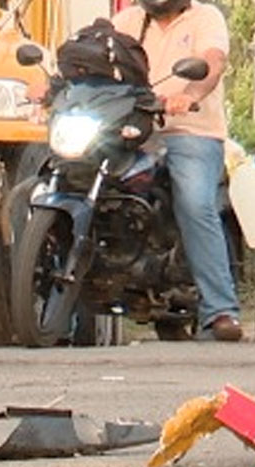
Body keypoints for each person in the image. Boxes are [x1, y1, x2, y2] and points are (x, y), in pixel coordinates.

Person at [113, 0, 245, 342]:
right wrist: (53, 85)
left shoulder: (205, 18)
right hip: (133, 133)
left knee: (194, 201)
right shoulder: (126, 21)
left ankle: (220, 311)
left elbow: (213, 63)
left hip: (189, 132)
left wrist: (189, 94)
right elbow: (91, 57)